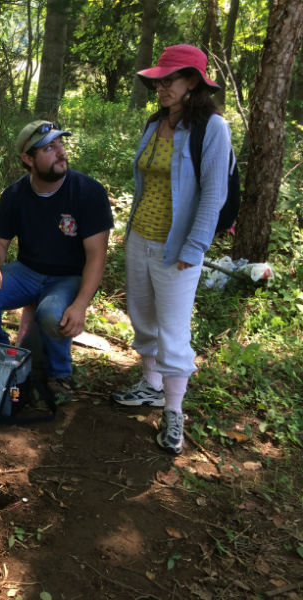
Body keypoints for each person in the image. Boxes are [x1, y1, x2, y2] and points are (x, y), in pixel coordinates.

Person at [112, 45, 232, 455]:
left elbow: (213, 194)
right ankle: (150, 386)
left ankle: (174, 410)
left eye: (170, 79)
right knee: (142, 317)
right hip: (140, 239)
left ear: (193, 82)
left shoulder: (212, 128)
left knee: (174, 332)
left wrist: (194, 246)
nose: (161, 87)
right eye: (158, 80)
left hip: (178, 249)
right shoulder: (155, 122)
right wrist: (131, 237)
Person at [0, 120, 113, 402]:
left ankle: (59, 374)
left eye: (60, 144)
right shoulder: (15, 194)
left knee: (52, 315)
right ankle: (1, 356)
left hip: (69, 277)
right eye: (49, 148)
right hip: (27, 271)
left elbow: (97, 256)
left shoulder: (88, 192)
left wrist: (81, 304)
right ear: (28, 159)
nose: (60, 152)